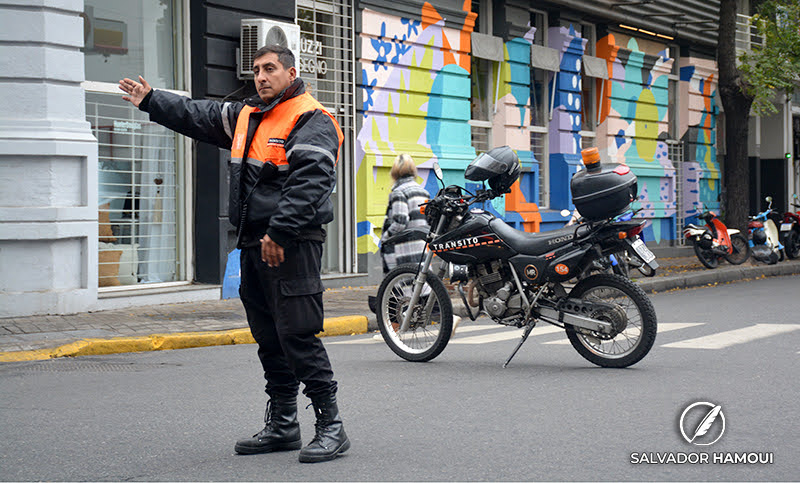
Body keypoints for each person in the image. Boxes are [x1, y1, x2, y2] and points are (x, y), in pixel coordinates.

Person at [118, 45, 349, 463]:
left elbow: (310, 182)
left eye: (270, 69)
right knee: (268, 338)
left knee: (297, 333)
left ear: (290, 72)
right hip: (253, 243)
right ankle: (283, 424)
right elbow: (198, 114)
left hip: (291, 243)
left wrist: (279, 232)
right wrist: (153, 101)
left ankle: (331, 426)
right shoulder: (246, 115)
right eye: (257, 70)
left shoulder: (311, 117)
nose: (261, 77)